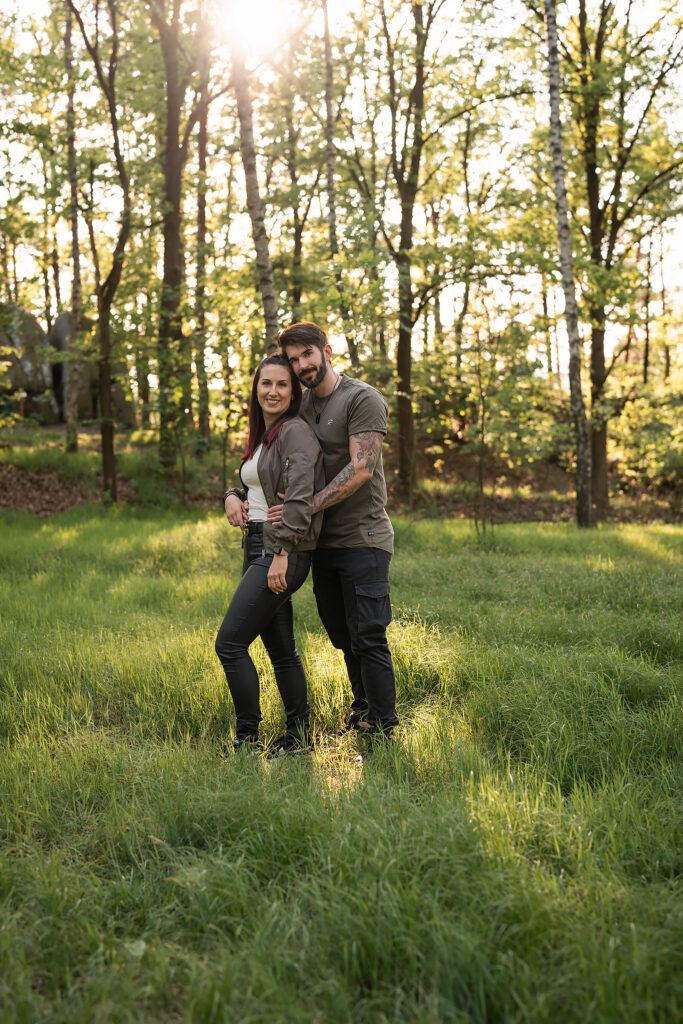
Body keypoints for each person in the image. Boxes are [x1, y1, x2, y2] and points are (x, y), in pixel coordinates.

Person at [271, 321, 399, 737]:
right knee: (342, 633)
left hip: (364, 537)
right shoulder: (301, 406)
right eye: (294, 360)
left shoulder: (362, 399)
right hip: (322, 542)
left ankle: (383, 724)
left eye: (307, 354)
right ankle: (362, 709)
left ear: (327, 352)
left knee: (368, 633)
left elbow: (361, 469)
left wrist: (305, 507)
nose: (302, 365)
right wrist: (237, 492)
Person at [216, 353, 324, 754]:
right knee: (280, 650)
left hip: (281, 548)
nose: (273, 391)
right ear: (256, 388)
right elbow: (257, 486)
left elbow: (300, 496)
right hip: (258, 542)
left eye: (282, 384)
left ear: (293, 392)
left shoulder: (295, 431)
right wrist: (231, 495)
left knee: (229, 643)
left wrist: (281, 552)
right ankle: (299, 736)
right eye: (266, 383)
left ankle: (246, 738)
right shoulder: (266, 433)